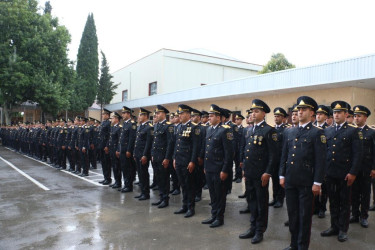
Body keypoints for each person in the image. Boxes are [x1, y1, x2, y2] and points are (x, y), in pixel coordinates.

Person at [279, 96, 327, 250]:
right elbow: (284, 155)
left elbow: (321, 160)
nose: (300, 112)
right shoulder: (289, 132)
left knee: (304, 216)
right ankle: (293, 243)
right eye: (298, 109)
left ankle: (302, 246)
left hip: (307, 182)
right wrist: (281, 175)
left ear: (312, 113)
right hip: (291, 180)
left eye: (303, 109)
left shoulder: (317, 133)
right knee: (292, 215)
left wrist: (317, 182)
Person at [321, 100, 363, 242]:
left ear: (346, 114)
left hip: (345, 174)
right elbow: (325, 153)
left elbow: (358, 154)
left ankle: (343, 229)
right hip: (331, 173)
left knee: (345, 202)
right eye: (335, 112)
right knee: (333, 201)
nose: (337, 114)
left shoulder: (353, 131)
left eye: (339, 112)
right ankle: (334, 226)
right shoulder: (327, 130)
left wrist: (353, 172)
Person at [239, 99, 276, 244]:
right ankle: (252, 226)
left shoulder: (269, 130)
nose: (253, 114)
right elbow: (246, 152)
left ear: (264, 113)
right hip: (249, 172)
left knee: (261, 202)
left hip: (261, 174)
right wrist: (244, 169)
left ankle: (260, 230)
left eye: (257, 111)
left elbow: (273, 155)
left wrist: (268, 172)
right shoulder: (249, 129)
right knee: (251, 201)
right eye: (252, 111)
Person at [201, 104, 233, 228]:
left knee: (220, 195)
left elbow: (229, 153)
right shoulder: (209, 129)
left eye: (211, 116)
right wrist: (205, 166)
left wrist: (225, 170)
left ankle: (219, 218)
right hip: (209, 168)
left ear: (218, 117)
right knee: (213, 194)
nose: (209, 118)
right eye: (208, 116)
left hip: (219, 169)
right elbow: (207, 150)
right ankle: (213, 215)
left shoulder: (225, 130)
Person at [350, 105, 375, 228]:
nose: (356, 118)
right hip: (353, 168)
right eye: (355, 116)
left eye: (359, 116)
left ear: (365, 117)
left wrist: (374, 168)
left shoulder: (371, 132)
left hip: (366, 167)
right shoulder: (351, 131)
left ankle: (364, 216)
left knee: (365, 193)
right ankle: (355, 214)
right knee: (353, 193)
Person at [173, 104, 199, 218]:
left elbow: (195, 146)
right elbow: (176, 145)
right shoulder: (179, 127)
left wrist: (192, 161)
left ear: (188, 114)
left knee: (189, 185)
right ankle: (184, 205)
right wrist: (174, 158)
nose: (180, 115)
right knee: (182, 184)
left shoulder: (194, 127)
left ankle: (190, 207)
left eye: (182, 113)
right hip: (179, 160)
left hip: (188, 161)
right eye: (179, 113)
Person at [151, 105, 174, 208]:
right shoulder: (156, 125)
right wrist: (152, 154)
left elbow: (170, 143)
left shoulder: (168, 126)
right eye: (156, 113)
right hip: (156, 156)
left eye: (158, 113)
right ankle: (161, 197)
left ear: (164, 114)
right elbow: (154, 142)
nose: (156, 115)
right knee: (159, 178)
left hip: (163, 157)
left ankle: (165, 199)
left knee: (164, 179)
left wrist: (167, 158)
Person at [269, 107, 288, 209]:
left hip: (281, 159)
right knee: (274, 180)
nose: (276, 118)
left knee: (280, 180)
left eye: (278, 116)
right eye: (275, 116)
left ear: (283, 118)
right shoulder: (272, 129)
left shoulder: (286, 129)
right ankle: (274, 198)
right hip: (274, 159)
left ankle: (280, 199)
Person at [133, 108, 154, 200]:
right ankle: (142, 192)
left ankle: (146, 193)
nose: (139, 117)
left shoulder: (149, 127)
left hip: (143, 155)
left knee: (144, 173)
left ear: (146, 116)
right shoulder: (140, 126)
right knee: (140, 174)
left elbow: (148, 143)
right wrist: (134, 153)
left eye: (141, 115)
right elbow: (137, 142)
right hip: (138, 153)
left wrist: (145, 155)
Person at [314, 105, 330, 218]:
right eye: (317, 114)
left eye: (321, 114)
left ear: (325, 117)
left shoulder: (328, 129)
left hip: (325, 162)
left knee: (324, 187)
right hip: (313, 162)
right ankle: (315, 207)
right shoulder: (313, 128)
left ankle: (322, 208)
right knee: (313, 186)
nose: (318, 116)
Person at [116, 106, 137, 193]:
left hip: (127, 151)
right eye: (122, 113)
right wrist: (118, 149)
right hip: (122, 150)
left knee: (128, 169)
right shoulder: (124, 124)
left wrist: (129, 150)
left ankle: (129, 186)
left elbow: (132, 139)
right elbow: (121, 139)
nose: (122, 115)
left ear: (128, 114)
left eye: (124, 113)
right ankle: (126, 184)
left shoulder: (132, 124)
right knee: (124, 168)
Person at [98, 109, 112, 185]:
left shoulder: (109, 123)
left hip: (105, 146)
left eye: (103, 114)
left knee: (107, 163)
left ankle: (108, 179)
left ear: (107, 115)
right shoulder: (103, 123)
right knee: (103, 163)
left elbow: (109, 136)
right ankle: (105, 177)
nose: (102, 115)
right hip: (101, 145)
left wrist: (107, 146)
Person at [109, 112, 122, 189]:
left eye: (113, 118)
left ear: (117, 119)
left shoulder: (119, 128)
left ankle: (118, 182)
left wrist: (118, 150)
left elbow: (119, 140)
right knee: (114, 166)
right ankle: (116, 181)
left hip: (115, 150)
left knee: (117, 167)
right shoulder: (113, 127)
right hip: (112, 149)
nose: (112, 119)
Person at [233, 114, 245, 183]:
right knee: (235, 163)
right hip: (235, 149)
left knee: (239, 163)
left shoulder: (243, 129)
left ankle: (240, 177)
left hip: (240, 149)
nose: (236, 121)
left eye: (238, 119)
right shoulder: (234, 128)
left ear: (241, 120)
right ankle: (236, 176)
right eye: (236, 119)